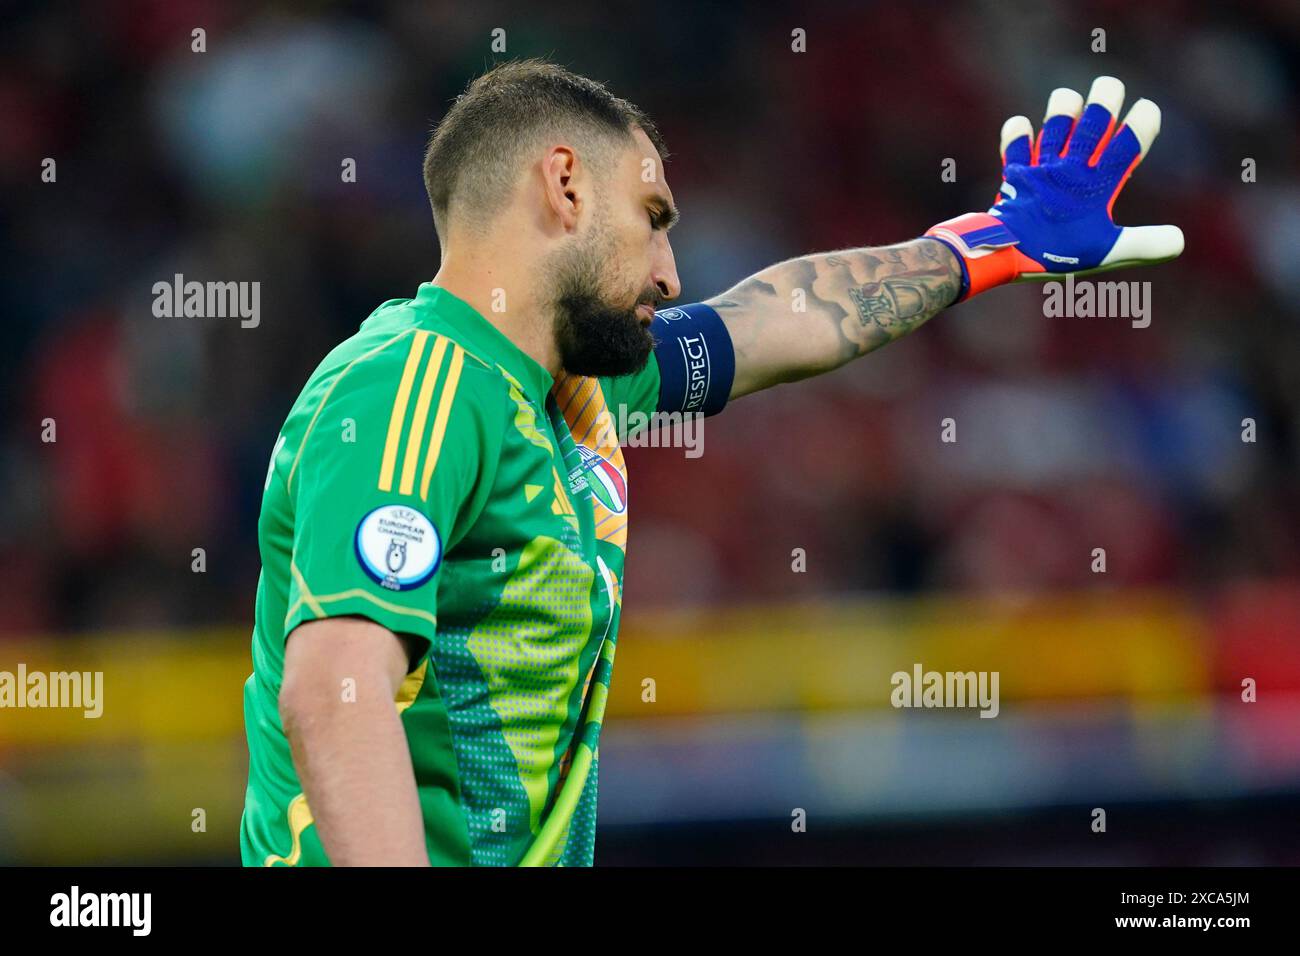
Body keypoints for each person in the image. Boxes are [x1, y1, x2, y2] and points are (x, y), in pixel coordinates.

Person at [240, 60, 1182, 866]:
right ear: (564, 185)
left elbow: (779, 317)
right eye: (653, 217)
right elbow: (336, 689)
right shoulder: (417, 384)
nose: (669, 272)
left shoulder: (575, 388)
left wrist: (987, 244)